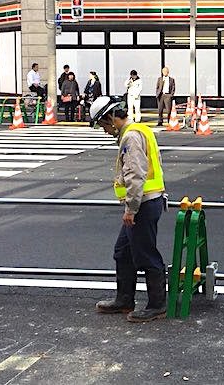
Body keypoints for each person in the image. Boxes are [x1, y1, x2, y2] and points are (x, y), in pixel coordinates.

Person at [90, 96, 167, 323]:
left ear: (111, 117)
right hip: (145, 202)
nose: (104, 130)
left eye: (103, 124)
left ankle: (157, 305)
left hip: (142, 203)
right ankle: (124, 300)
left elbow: (136, 175)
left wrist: (131, 209)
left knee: (146, 254)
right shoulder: (139, 130)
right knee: (122, 252)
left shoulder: (131, 137)